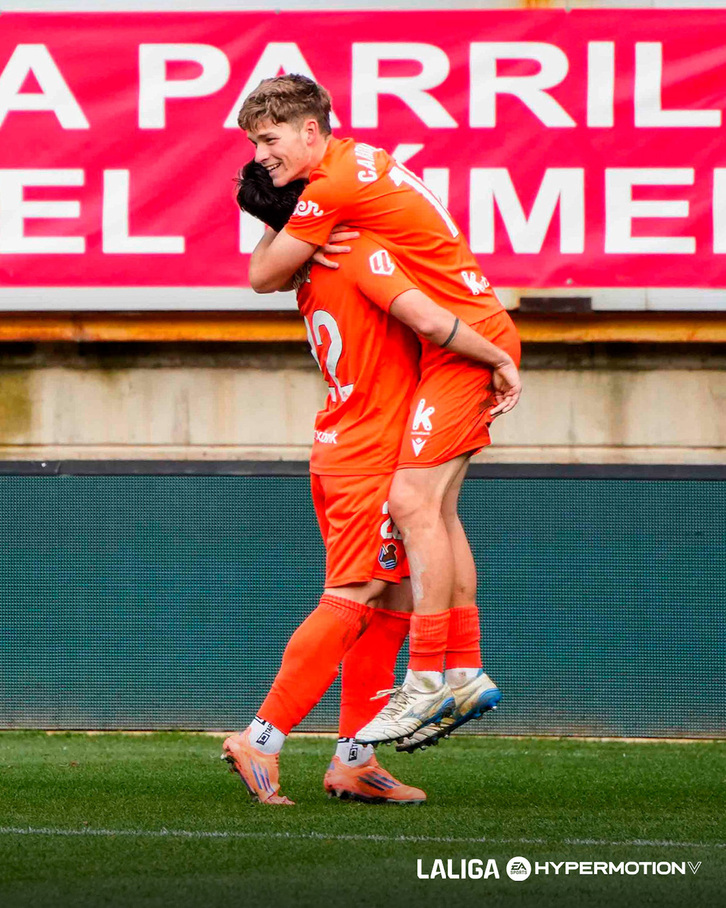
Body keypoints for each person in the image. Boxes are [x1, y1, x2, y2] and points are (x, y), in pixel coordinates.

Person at [236, 75, 521, 746]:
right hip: (456, 341)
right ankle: (457, 674)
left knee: (404, 525)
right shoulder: (360, 169)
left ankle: (421, 686)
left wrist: (497, 355)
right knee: (431, 514)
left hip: (453, 346)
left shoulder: (333, 198)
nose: (261, 154)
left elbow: (264, 276)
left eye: (268, 140)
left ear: (312, 131)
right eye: (254, 143)